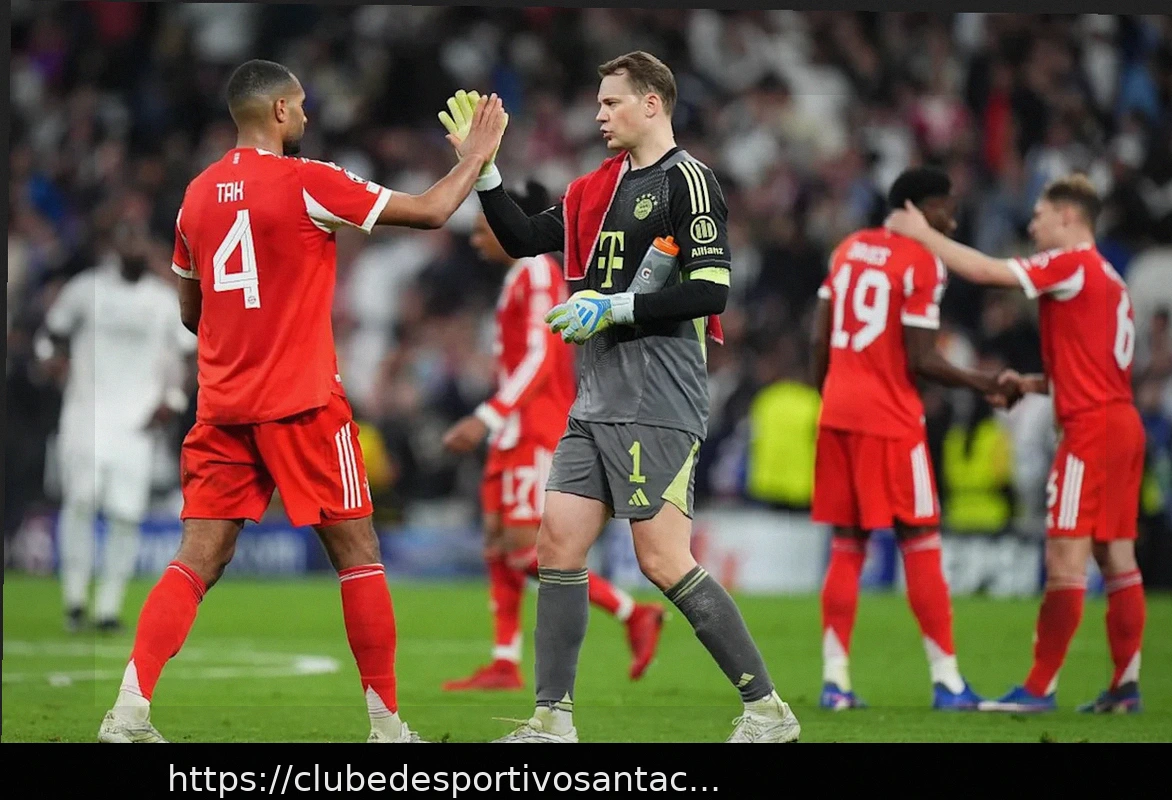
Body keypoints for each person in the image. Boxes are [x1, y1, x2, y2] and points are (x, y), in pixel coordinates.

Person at [97, 58, 507, 743]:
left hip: (223, 407)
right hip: (303, 403)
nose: (309, 116)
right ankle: (386, 727)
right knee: (358, 551)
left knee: (196, 556)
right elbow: (433, 211)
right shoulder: (308, 181)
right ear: (281, 112)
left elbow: (192, 312)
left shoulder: (194, 196)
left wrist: (245, 331)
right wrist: (476, 157)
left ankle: (127, 711)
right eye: (304, 105)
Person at [440, 51, 800, 743]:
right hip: (596, 399)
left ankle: (767, 709)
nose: (599, 115)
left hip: (658, 397)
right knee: (557, 546)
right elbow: (519, 237)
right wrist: (482, 168)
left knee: (662, 560)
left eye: (611, 103)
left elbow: (711, 289)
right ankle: (552, 720)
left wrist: (614, 308)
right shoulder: (593, 190)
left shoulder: (689, 182)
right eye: (599, 103)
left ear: (652, 104)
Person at [887, 173, 1147, 714]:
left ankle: (1038, 689)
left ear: (1068, 219)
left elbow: (985, 272)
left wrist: (922, 232)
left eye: (1039, 216)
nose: (1032, 225)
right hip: (1121, 423)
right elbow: (1098, 365)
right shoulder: (1111, 279)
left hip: (1091, 429)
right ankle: (1125, 686)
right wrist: (1034, 384)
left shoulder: (1071, 263)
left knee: (1064, 561)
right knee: (1117, 558)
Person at [441, 182, 665, 691]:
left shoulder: (539, 269)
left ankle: (633, 613)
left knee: (529, 549)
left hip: (534, 428)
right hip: (512, 431)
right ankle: (504, 660)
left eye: (483, 228)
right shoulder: (517, 276)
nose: (477, 238)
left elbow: (544, 356)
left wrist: (490, 416)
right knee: (498, 543)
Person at [810, 167, 1015, 712]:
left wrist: (826, 394)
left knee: (848, 546)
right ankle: (948, 681)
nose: (952, 217)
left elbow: (820, 332)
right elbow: (923, 358)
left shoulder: (849, 248)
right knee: (920, 540)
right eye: (945, 208)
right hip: (891, 419)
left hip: (839, 411)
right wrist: (983, 382)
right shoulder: (922, 261)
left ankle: (836, 682)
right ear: (919, 207)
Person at [43, 216, 196, 635]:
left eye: (140, 240)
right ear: (113, 245)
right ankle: (74, 601)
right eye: (126, 239)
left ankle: (108, 607)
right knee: (80, 503)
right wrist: (52, 362)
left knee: (126, 517)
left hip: (137, 425)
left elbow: (187, 355)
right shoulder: (85, 289)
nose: (134, 248)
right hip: (85, 416)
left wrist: (172, 400)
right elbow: (50, 334)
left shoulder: (163, 301)